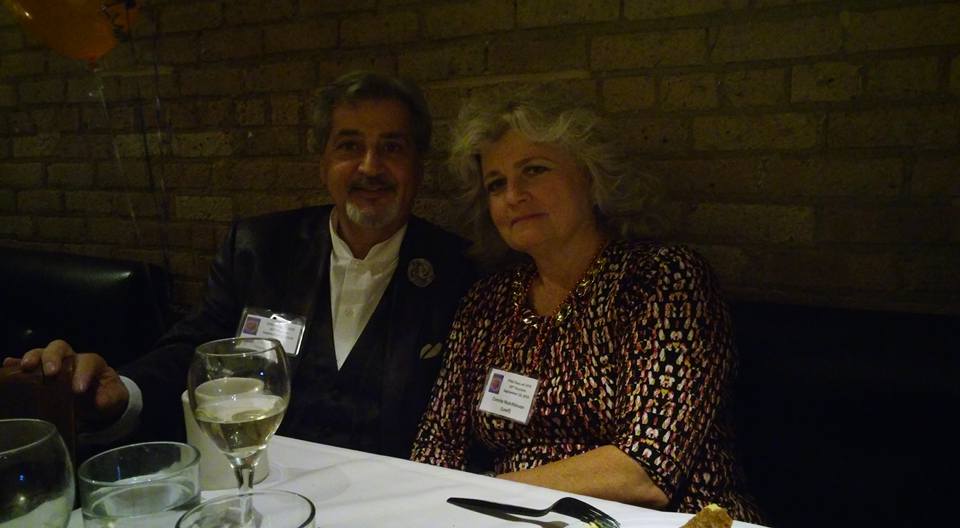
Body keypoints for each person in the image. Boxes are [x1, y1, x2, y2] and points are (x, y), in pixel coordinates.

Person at [4, 71, 475, 459]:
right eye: (349, 146)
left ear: (419, 166)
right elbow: (195, 350)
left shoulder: (461, 270)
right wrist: (124, 392)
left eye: (392, 147)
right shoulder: (260, 247)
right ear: (323, 163)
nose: (370, 166)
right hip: (263, 484)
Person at [410, 86, 763, 522]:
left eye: (534, 170)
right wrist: (434, 508)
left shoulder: (662, 279)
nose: (513, 195)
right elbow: (437, 442)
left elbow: (644, 469)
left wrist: (485, 492)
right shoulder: (488, 301)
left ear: (591, 178)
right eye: (496, 184)